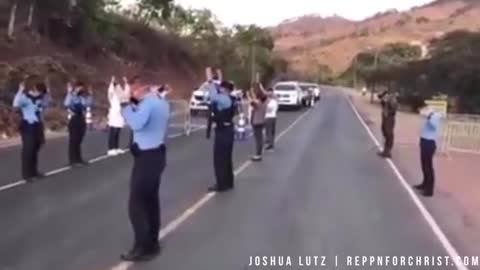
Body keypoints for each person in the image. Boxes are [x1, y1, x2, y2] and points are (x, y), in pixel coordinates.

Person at [116, 81, 169, 262]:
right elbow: (141, 109)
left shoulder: (148, 104)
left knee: (136, 205)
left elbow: (137, 123)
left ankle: (142, 247)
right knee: (151, 201)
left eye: (132, 89)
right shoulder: (161, 102)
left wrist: (124, 104)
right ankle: (152, 242)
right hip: (157, 155)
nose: (131, 93)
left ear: (140, 89)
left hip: (146, 158)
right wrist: (133, 101)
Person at [12, 77, 50, 181]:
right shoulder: (25, 97)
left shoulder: (41, 98)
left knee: (35, 149)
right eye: (39, 91)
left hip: (38, 126)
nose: (40, 93)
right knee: (28, 150)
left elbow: (46, 104)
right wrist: (20, 90)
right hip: (28, 125)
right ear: (34, 89)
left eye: (41, 92)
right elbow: (15, 104)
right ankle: (27, 175)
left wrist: (47, 93)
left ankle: (34, 171)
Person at [203, 79, 236, 192]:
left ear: (225, 89)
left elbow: (212, 96)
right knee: (226, 158)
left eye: (221, 87)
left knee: (219, 159)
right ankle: (228, 182)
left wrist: (210, 82)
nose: (219, 89)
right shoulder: (230, 99)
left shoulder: (224, 99)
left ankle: (221, 184)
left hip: (223, 132)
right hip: (228, 130)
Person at [413, 103, 442, 197]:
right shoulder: (430, 116)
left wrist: (429, 116)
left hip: (429, 143)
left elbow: (434, 126)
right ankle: (424, 183)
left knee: (428, 167)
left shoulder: (435, 116)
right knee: (424, 165)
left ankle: (430, 190)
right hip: (424, 141)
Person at [64, 81, 93, 167]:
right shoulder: (72, 96)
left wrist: (90, 95)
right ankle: (73, 160)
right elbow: (66, 103)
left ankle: (78, 158)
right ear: (76, 88)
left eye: (82, 88)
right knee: (74, 140)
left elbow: (88, 104)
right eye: (80, 88)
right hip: (74, 118)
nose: (81, 89)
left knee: (79, 139)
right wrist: (70, 92)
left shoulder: (82, 98)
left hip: (81, 118)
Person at [107, 76, 129, 156]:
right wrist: (112, 82)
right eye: (116, 86)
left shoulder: (120, 94)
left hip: (120, 115)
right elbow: (110, 91)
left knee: (118, 131)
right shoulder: (112, 95)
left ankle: (116, 147)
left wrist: (126, 83)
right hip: (114, 114)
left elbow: (126, 95)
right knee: (113, 131)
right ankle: (111, 148)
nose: (118, 87)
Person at [248, 87, 268, 161]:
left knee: (258, 140)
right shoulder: (264, 103)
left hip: (257, 122)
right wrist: (252, 92)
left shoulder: (259, 104)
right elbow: (254, 101)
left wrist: (248, 96)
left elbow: (252, 103)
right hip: (261, 121)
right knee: (259, 138)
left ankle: (258, 155)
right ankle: (258, 154)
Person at [377, 90, 398, 158]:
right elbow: (383, 104)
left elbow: (394, 109)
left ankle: (388, 152)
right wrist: (383, 101)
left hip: (389, 119)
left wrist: (388, 113)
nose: (382, 98)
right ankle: (385, 150)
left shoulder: (392, 99)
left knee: (389, 134)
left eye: (382, 96)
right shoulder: (384, 100)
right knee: (384, 132)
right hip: (385, 118)